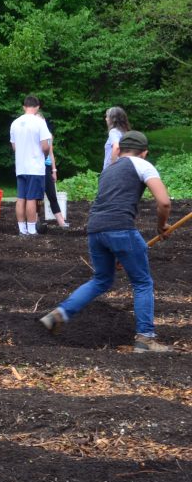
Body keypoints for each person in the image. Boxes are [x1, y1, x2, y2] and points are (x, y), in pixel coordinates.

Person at [39, 131, 172, 353]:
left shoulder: (109, 169)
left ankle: (60, 314)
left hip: (96, 230)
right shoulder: (142, 164)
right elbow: (164, 203)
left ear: (119, 150)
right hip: (121, 229)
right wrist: (162, 225)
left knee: (101, 279)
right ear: (144, 152)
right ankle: (145, 339)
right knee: (142, 282)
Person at [9, 96, 52, 235]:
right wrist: (44, 155)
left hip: (21, 166)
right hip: (35, 166)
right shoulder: (39, 122)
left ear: (24, 107)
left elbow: (14, 147)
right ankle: (32, 229)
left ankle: (22, 229)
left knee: (21, 198)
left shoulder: (15, 123)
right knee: (32, 198)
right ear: (37, 107)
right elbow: (45, 146)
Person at [41, 116, 68, 228]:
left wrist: (54, 170)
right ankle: (35, 222)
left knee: (52, 194)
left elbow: (51, 153)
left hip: (46, 167)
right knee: (36, 197)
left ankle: (61, 221)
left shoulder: (48, 135)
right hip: (36, 167)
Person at [103, 106, 130, 172]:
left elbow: (116, 147)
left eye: (107, 117)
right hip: (123, 168)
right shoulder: (125, 132)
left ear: (112, 119)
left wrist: (112, 166)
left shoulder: (114, 132)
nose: (106, 119)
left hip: (111, 171)